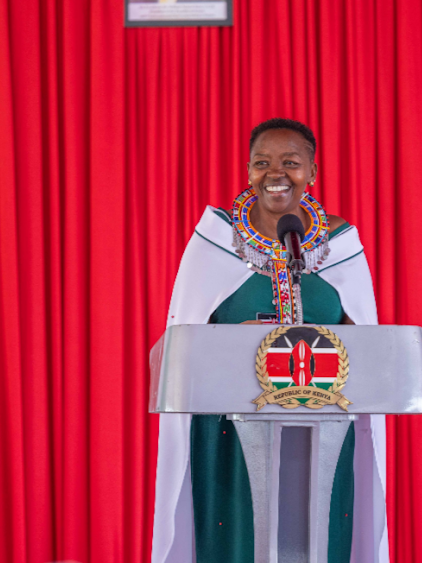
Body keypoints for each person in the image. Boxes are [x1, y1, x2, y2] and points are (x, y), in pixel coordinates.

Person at [152, 118, 388, 563]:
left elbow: (368, 350)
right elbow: (179, 347)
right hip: (229, 438)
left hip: (323, 433)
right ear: (247, 171)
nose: (275, 174)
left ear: (312, 173)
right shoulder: (215, 240)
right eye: (262, 163)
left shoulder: (340, 245)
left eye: (291, 163)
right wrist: (230, 344)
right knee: (237, 542)